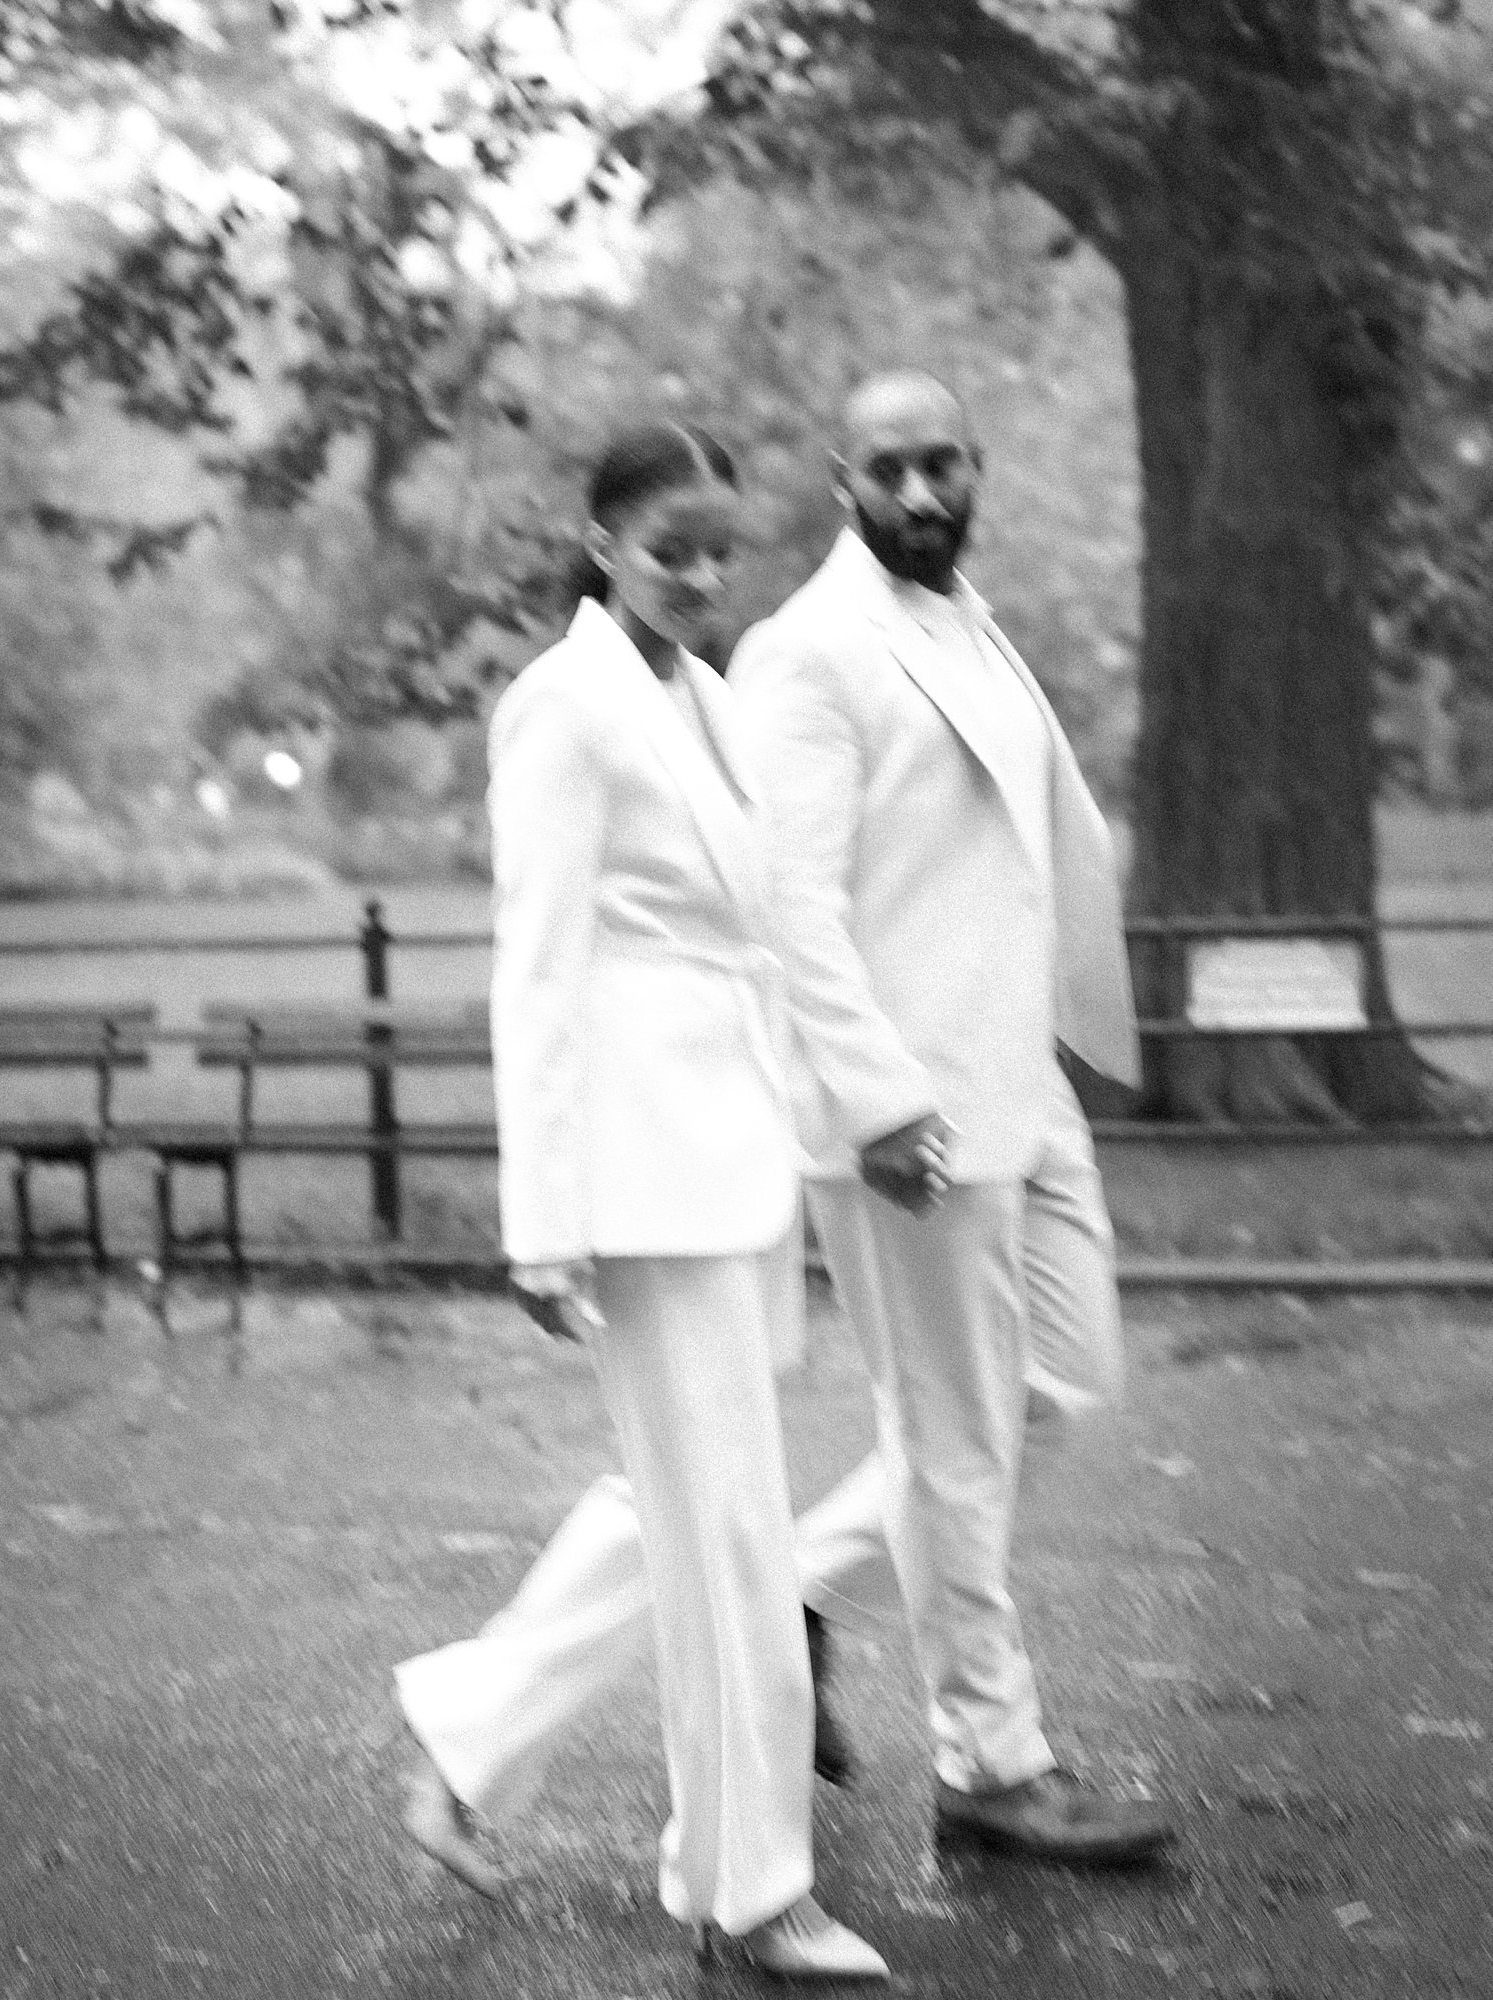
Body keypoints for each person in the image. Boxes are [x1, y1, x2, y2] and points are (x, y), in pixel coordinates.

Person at [394, 422, 889, 1982]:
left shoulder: (710, 697)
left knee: (680, 1516)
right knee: (734, 1537)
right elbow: (533, 974)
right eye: (669, 544)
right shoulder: (567, 704)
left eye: (720, 548)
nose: (698, 572)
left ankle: (472, 1731)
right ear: (602, 541)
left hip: (740, 1160)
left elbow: (762, 934)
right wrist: (540, 1221)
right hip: (643, 1178)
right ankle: (749, 1890)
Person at [725, 368, 1174, 1864]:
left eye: (944, 465)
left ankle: (793, 1587)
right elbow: (793, 905)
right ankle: (994, 1763)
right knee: (959, 1447)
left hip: (1021, 1092)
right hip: (907, 1125)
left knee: (1070, 1375)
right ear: (842, 482)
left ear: (977, 468)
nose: (921, 494)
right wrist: (873, 1100)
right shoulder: (806, 653)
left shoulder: (968, 625)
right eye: (890, 470)